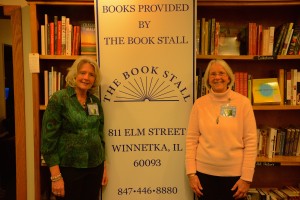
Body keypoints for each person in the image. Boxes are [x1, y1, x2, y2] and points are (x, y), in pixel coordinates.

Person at [185, 59, 257, 200]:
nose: (217, 77)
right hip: (204, 176)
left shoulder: (243, 103)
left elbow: (251, 141)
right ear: (208, 79)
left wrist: (247, 178)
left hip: (235, 178)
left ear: (229, 77)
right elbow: (191, 139)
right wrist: (191, 174)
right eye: (213, 74)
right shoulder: (199, 104)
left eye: (221, 73)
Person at [41, 57, 108, 200]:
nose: (86, 78)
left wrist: (103, 167)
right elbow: (48, 140)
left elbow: (100, 135)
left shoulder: (94, 102)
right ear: (74, 75)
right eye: (83, 73)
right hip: (68, 169)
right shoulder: (59, 99)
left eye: (91, 75)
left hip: (95, 168)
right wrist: (55, 176)